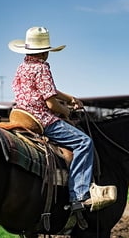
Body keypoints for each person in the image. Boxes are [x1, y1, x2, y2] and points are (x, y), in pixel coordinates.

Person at [8, 26, 116, 214]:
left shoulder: (23, 66)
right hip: (40, 118)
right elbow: (51, 104)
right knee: (84, 142)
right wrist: (65, 110)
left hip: (21, 112)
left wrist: (69, 98)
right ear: (44, 52)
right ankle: (79, 195)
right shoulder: (42, 68)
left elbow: (50, 91)